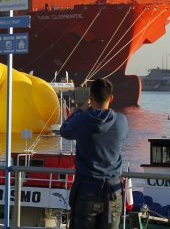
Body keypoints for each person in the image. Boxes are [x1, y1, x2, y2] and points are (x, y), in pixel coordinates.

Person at [59, 78, 128, 229]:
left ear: (90, 98)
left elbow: (64, 130)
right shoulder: (121, 121)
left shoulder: (82, 120)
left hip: (86, 190)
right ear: (111, 98)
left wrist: (81, 109)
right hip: (113, 191)